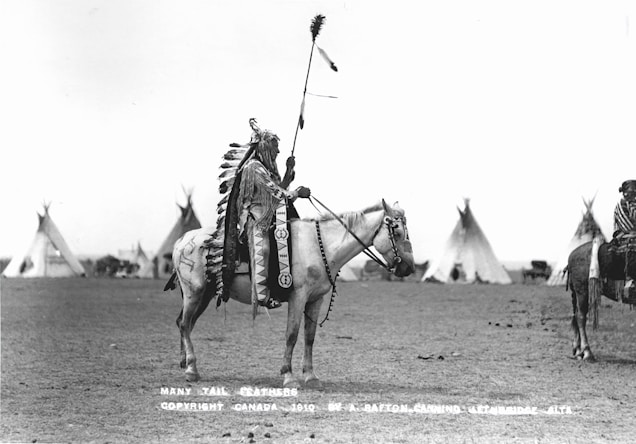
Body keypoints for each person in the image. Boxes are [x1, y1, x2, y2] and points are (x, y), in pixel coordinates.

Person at [236, 119, 311, 309]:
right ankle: (262, 295)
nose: (278, 151)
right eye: (275, 147)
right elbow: (277, 193)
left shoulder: (266, 168)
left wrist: (288, 171)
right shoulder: (254, 168)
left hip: (271, 214)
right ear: (265, 147)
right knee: (265, 248)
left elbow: (279, 190)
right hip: (257, 218)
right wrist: (298, 192)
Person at [612, 180, 636, 295]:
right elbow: (628, 226)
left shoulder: (633, 205)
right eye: (630, 192)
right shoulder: (621, 205)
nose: (632, 195)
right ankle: (631, 281)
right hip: (625, 238)